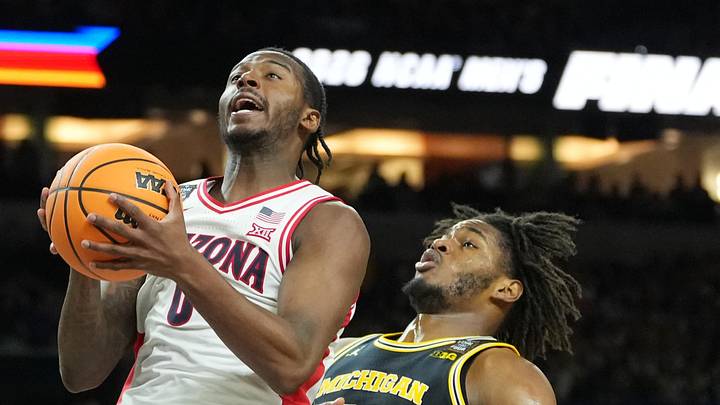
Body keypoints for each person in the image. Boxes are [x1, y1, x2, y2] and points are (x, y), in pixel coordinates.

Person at [37, 48, 370, 404]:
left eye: (272, 75)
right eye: (236, 77)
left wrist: (183, 263)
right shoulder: (166, 203)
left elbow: (291, 366)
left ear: (309, 119)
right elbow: (81, 372)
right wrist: (81, 249)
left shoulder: (326, 220)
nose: (248, 79)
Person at [314, 204, 581, 405]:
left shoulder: (502, 375)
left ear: (506, 289)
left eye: (468, 244)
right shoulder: (339, 351)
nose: (439, 243)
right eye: (444, 237)